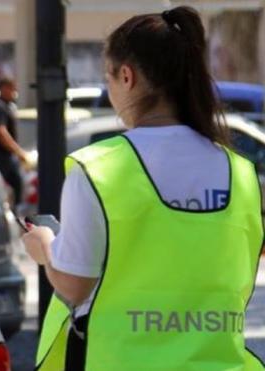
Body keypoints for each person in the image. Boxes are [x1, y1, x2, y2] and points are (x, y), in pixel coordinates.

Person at [23, 6, 264, 371]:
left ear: (126, 76)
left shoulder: (98, 168)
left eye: (109, 78)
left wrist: (44, 247)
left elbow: (75, 286)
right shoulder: (241, 172)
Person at [0, 77, 29, 205]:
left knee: (17, 185)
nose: (14, 92)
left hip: (6, 157)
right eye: (11, 89)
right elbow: (1, 132)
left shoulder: (6, 107)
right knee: (0, 189)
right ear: (3, 88)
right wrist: (19, 152)